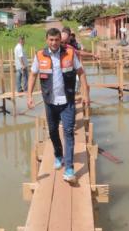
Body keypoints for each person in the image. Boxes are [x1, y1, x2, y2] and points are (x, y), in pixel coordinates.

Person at [26, 28, 90, 183]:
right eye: (51, 40)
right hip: (50, 102)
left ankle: (69, 169)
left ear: (61, 40)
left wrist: (85, 94)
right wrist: (29, 96)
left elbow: (80, 72)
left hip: (67, 101)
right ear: (46, 40)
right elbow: (33, 75)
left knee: (68, 132)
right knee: (53, 131)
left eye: (56, 40)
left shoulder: (69, 53)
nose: (54, 43)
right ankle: (58, 155)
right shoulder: (40, 55)